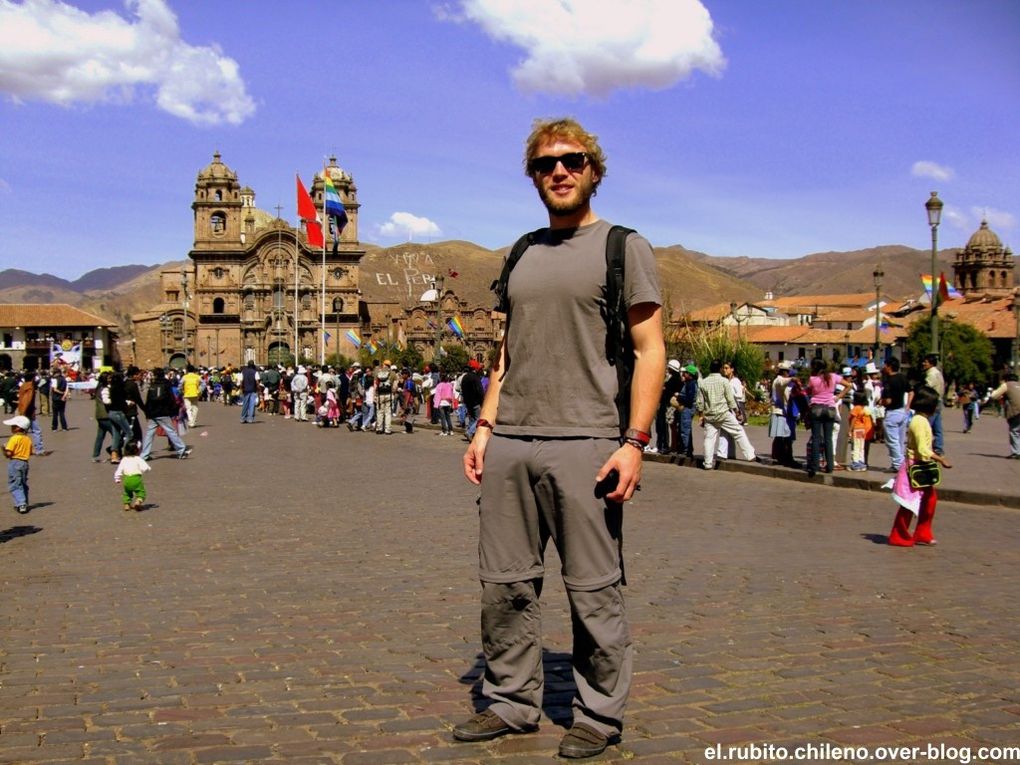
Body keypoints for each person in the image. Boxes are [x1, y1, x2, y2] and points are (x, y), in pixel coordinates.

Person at [454, 117, 665, 759]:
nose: (560, 172)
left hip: (587, 443)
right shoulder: (519, 254)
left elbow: (651, 349)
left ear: (594, 170)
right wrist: (486, 426)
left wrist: (634, 441)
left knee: (593, 588)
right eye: (546, 165)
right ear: (534, 177)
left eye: (572, 161)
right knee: (505, 585)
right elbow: (505, 356)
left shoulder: (623, 247)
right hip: (512, 440)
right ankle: (512, 703)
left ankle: (599, 715)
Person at [888, 385, 952, 546]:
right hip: (915, 467)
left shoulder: (921, 420)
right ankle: (899, 535)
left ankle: (923, 532)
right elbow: (923, 449)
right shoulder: (918, 421)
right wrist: (940, 459)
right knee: (908, 504)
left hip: (922, 466)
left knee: (929, 500)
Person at [697, 359, 756, 470]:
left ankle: (708, 463)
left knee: (709, 439)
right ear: (720, 369)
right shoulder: (724, 381)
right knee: (738, 432)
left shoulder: (703, 382)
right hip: (724, 414)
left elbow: (700, 402)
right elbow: (730, 399)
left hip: (710, 416)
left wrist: (701, 415)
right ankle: (750, 455)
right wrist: (737, 412)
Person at [140, 368, 192, 460]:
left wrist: (147, 413)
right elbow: (171, 398)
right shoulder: (166, 384)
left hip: (153, 413)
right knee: (171, 431)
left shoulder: (153, 384)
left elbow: (148, 400)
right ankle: (181, 450)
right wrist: (174, 411)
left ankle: (144, 455)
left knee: (149, 434)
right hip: (163, 412)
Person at [805, 358, 844, 477]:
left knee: (816, 438)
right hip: (830, 409)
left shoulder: (813, 379)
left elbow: (807, 391)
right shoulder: (833, 376)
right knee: (828, 438)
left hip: (816, 408)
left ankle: (815, 466)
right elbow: (849, 385)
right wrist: (838, 396)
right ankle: (830, 466)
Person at [880, 357, 912, 472]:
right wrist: (908, 405)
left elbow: (888, 401)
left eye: (885, 365)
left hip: (892, 412)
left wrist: (881, 402)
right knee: (900, 439)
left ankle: (898, 464)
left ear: (889, 366)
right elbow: (911, 391)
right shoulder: (903, 378)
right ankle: (901, 462)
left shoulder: (888, 381)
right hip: (902, 411)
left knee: (892, 441)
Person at [987, 373, 1020, 459]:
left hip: (1016, 412)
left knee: (1014, 431)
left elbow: (994, 396)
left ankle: (1016, 453)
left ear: (1006, 379)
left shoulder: (1006, 385)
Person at [4, 414, 32, 514]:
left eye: (13, 426)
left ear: (18, 428)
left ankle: (21, 503)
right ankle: (24, 501)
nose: (11, 428)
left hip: (15, 462)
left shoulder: (14, 438)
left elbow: (9, 453)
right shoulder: (28, 439)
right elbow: (30, 452)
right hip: (25, 462)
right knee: (23, 483)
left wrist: (4, 449)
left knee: (15, 484)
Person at [114, 441, 151, 511]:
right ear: (136, 450)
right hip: (136, 478)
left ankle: (127, 505)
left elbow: (119, 470)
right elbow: (145, 468)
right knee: (141, 492)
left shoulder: (124, 459)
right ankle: (138, 501)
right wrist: (148, 469)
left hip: (127, 479)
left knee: (127, 493)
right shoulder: (138, 459)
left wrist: (117, 478)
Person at [921, 354, 945, 454]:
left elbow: (927, 388)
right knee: (937, 426)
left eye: (925, 362)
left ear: (931, 363)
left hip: (932, 402)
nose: (923, 363)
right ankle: (938, 447)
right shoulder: (938, 372)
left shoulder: (931, 374)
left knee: (928, 425)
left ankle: (926, 446)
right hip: (938, 400)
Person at [847, 391, 874, 471]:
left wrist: (849, 430)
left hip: (857, 429)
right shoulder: (863, 408)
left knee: (856, 446)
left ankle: (855, 464)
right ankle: (862, 463)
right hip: (862, 430)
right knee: (861, 446)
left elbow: (853, 420)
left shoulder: (856, 408)